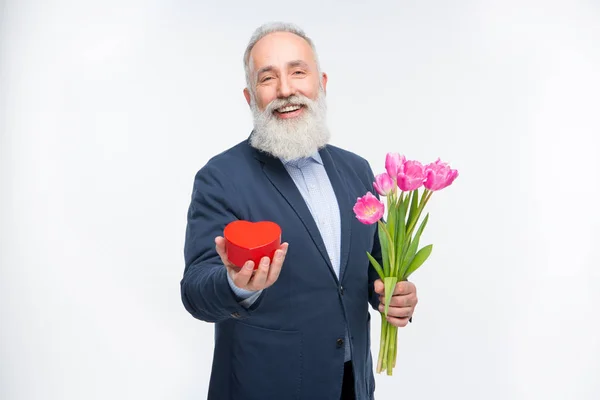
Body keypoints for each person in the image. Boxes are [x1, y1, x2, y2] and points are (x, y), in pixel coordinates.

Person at [180, 22, 418, 400]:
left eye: (297, 72)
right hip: (266, 387)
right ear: (249, 96)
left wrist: (392, 295)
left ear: (321, 82)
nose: (286, 90)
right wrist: (235, 286)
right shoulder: (220, 177)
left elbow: (371, 267)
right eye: (267, 78)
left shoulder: (356, 170)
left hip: (351, 384)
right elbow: (195, 290)